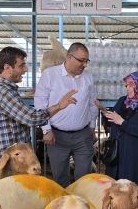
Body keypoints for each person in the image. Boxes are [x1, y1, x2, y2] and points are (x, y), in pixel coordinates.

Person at [0, 46, 78, 164]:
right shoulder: (2, 92)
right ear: (7, 67)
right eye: (21, 65)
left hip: (14, 157)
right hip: (10, 161)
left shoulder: (6, 89)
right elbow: (31, 118)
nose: (25, 69)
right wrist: (59, 105)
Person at [35, 42, 98, 186]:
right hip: (57, 136)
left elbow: (92, 103)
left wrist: (92, 127)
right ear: (69, 57)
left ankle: (82, 204)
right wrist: (46, 130)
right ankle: (64, 205)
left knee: (84, 177)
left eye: (86, 61)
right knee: (60, 177)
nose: (84, 64)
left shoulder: (88, 77)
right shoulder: (50, 75)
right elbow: (40, 104)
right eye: (81, 60)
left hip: (83, 135)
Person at [100, 72, 138, 194]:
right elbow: (113, 122)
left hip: (132, 157)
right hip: (116, 154)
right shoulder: (122, 101)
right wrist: (105, 114)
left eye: (131, 85)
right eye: (126, 85)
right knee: (113, 189)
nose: (127, 88)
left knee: (130, 190)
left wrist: (122, 122)